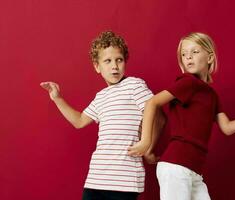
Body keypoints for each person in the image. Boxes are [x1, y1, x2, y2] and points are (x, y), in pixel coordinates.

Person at [129, 32, 235, 200]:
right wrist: (146, 142)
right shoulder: (188, 82)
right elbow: (152, 103)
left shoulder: (211, 94)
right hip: (176, 167)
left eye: (194, 52)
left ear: (209, 57)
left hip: (194, 171)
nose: (188, 57)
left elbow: (227, 128)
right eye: (184, 54)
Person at [40, 31, 156, 200]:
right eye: (107, 61)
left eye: (119, 60)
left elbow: (157, 114)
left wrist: (148, 145)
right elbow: (79, 121)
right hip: (96, 178)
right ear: (97, 66)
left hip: (124, 179)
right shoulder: (101, 96)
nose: (114, 66)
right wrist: (57, 98)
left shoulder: (134, 85)